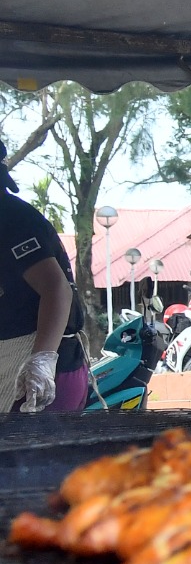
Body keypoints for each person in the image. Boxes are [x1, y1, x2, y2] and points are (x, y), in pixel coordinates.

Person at [0, 145, 89, 412]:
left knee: (29, 454)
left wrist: (41, 361)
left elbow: (55, 288)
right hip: (10, 358)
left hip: (41, 370)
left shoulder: (10, 219)